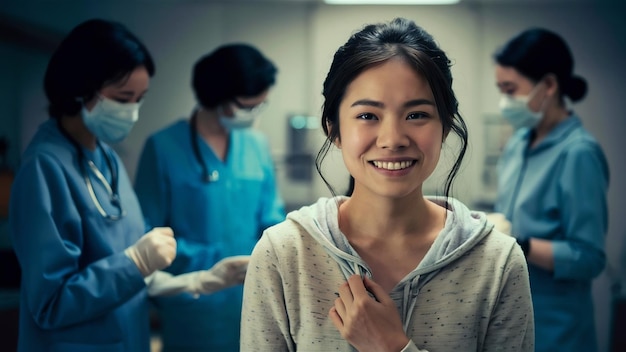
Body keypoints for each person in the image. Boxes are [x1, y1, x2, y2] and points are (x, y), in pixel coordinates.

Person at [241, 17, 534, 352]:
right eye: (368, 116)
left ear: (446, 126)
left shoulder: (497, 263)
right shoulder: (283, 254)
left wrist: (392, 348)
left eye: (417, 115)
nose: (392, 139)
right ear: (333, 129)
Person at [8, 19, 248, 352]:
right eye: (123, 98)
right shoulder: (43, 169)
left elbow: (133, 277)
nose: (133, 111)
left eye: (140, 98)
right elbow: (51, 304)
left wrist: (199, 281)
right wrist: (134, 262)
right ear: (79, 90)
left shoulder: (107, 160)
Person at [134, 43, 286, 351]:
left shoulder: (256, 145)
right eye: (249, 105)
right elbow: (146, 235)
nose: (255, 113)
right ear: (221, 99)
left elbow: (273, 218)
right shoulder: (163, 148)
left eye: (261, 105)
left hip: (253, 298)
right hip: (194, 304)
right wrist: (209, 259)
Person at [492, 28, 609, 352]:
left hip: (557, 330)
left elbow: (589, 258)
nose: (504, 101)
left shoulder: (578, 153)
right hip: (512, 317)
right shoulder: (518, 143)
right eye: (500, 89)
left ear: (549, 85)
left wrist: (520, 244)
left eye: (511, 89)